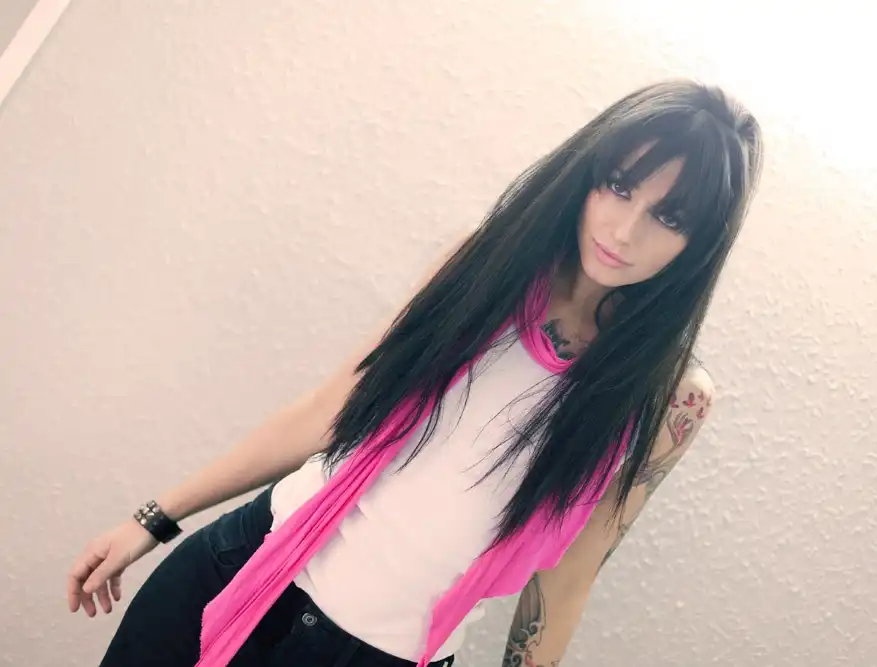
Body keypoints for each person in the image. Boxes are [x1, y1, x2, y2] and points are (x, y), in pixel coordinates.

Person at [67, 79, 763, 667]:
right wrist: (155, 518)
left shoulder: (669, 398)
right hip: (241, 567)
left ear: (699, 244)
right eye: (618, 186)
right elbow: (333, 409)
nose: (624, 230)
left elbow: (568, 577)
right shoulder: (490, 268)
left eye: (668, 217)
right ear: (588, 174)